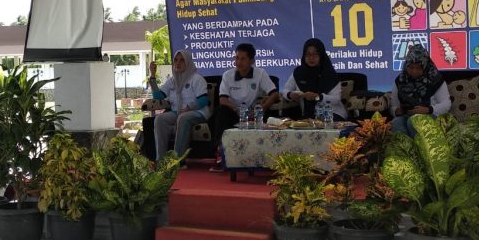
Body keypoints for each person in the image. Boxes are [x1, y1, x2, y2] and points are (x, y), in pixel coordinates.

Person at [211, 43, 280, 171]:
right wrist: (238, 110)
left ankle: (267, 159)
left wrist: (262, 108)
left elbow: (274, 94)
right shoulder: (227, 75)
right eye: (236, 58)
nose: (238, 62)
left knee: (271, 116)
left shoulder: (260, 73)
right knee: (221, 111)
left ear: (252, 60)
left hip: (253, 113)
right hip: (233, 111)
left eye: (243, 59)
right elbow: (223, 99)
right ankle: (220, 154)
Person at [148, 50, 210, 161]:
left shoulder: (196, 78)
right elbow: (158, 96)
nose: (178, 63)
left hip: (198, 112)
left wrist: (188, 108)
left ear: (188, 62)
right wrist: (152, 76)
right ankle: (160, 160)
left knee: (183, 117)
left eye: (182, 60)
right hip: (178, 112)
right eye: (176, 60)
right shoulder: (172, 80)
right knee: (160, 119)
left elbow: (204, 100)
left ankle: (177, 160)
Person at [390, 45, 451, 137]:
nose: (414, 71)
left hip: (431, 115)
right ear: (406, 65)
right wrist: (397, 111)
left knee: (413, 121)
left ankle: (420, 146)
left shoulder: (435, 79)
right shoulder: (401, 80)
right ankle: (404, 146)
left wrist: (428, 110)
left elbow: (446, 104)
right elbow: (393, 106)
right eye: (411, 67)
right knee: (396, 122)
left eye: (418, 68)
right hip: (407, 116)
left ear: (425, 66)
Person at [284, 38, 348, 121]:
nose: (311, 58)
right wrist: (290, 95)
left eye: (315, 54)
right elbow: (286, 90)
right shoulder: (298, 73)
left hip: (333, 113)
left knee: (320, 123)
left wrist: (318, 97)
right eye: (308, 54)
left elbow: (336, 99)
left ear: (321, 55)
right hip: (309, 116)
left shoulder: (330, 74)